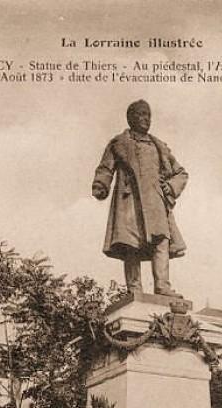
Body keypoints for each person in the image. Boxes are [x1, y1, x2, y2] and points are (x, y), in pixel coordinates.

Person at [92, 100, 188, 297]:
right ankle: (134, 288)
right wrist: (101, 184)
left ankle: (162, 286)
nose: (145, 119)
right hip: (130, 202)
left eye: (148, 115)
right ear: (130, 118)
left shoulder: (159, 146)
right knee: (131, 244)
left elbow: (181, 173)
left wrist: (170, 187)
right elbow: (105, 167)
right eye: (141, 114)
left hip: (156, 201)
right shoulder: (119, 143)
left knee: (161, 240)